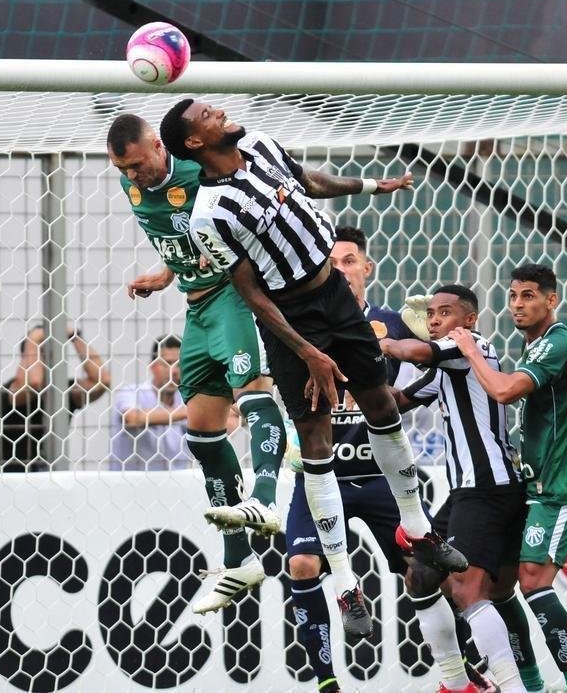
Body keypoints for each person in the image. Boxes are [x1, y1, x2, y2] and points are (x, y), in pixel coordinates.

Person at [160, 100, 465, 638]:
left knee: (380, 407)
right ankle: (345, 584)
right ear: (194, 143)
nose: (220, 111)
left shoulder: (260, 145)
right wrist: (306, 352)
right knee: (316, 443)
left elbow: (309, 182)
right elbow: (251, 293)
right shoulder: (209, 213)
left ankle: (418, 530)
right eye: (207, 114)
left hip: (336, 300)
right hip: (291, 318)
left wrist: (370, 186)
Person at [108, 113, 290, 615]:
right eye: (122, 169)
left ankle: (265, 499)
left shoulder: (202, 168)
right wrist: (166, 274)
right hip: (195, 309)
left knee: (252, 392)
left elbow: (249, 213)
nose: (132, 175)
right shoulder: (133, 187)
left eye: (137, 164)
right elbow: (177, 233)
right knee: (203, 435)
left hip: (235, 298)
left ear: (158, 146)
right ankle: (239, 561)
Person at [286, 228, 480, 693]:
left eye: (349, 261)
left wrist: (436, 334)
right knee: (303, 565)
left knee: (426, 571)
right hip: (323, 476)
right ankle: (327, 682)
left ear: (367, 268)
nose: (340, 271)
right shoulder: (300, 327)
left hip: (380, 477)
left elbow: (450, 357)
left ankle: (470, 669)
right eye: (330, 264)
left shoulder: (393, 324)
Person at [446, 264, 567, 693]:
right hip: (531, 484)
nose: (517, 304)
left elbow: (504, 391)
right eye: (513, 296)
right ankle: (531, 686)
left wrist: (469, 350)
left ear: (552, 300)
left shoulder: (559, 343)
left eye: (528, 296)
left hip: (561, 486)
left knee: (532, 579)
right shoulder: (535, 346)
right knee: (499, 587)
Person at [383, 285, 529, 692]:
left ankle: (512, 687)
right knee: (421, 575)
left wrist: (376, 340)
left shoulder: (469, 346)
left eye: (444, 312)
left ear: (469, 320)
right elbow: (398, 402)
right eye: (431, 313)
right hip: (475, 489)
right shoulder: (448, 366)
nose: (434, 320)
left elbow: (414, 351)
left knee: (468, 590)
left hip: (486, 487)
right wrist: (358, 378)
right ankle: (459, 681)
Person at [0, 325, 110, 472]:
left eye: (51, 355)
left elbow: (102, 381)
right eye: (41, 353)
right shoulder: (12, 391)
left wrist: (75, 337)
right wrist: (33, 339)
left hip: (53, 478)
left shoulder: (61, 391)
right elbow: (33, 383)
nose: (48, 361)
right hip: (14, 479)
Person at [109, 334, 193, 471]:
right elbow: (132, 418)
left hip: (174, 482)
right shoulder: (131, 392)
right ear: (152, 366)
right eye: (167, 363)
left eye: (179, 364)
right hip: (131, 482)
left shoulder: (187, 399)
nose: (174, 371)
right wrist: (188, 412)